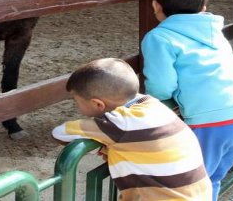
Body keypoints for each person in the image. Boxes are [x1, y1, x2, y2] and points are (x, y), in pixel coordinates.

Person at [141, 0, 233, 200]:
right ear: (203, 7)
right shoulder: (213, 31)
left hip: (212, 122)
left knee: (189, 188)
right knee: (210, 180)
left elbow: (161, 87)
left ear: (156, 5)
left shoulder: (159, 37)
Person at [51, 58, 212, 200]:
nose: (77, 107)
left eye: (77, 101)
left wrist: (102, 144)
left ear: (98, 104)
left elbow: (60, 133)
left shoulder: (119, 123)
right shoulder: (153, 106)